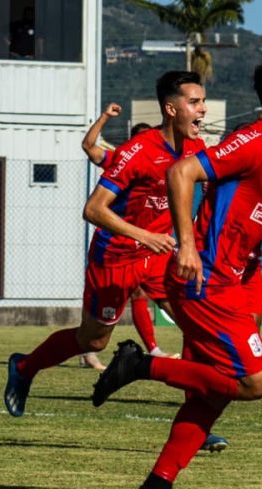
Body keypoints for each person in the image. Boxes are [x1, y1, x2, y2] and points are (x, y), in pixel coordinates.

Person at [91, 59, 262, 489]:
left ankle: (156, 487)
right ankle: (140, 366)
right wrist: (187, 246)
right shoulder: (255, 140)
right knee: (255, 382)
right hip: (205, 281)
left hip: (232, 282)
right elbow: (181, 173)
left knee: (216, 391)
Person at [4, 71, 207, 419]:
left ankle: (195, 418)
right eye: (194, 102)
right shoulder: (137, 151)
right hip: (115, 258)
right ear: (171, 109)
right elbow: (93, 209)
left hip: (159, 258)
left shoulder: (196, 150)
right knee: (93, 341)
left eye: (203, 101)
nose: (202, 109)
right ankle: (24, 367)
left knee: (197, 327)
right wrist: (145, 236)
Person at [79, 110, 179, 364]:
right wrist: (104, 116)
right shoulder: (122, 160)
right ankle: (87, 347)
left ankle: (158, 350)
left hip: (151, 245)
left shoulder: (170, 162)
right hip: (121, 245)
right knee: (104, 323)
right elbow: (89, 147)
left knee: (163, 298)